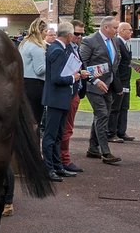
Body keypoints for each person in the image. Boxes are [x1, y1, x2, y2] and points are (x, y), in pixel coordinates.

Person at [42, 21, 84, 181]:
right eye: (74, 34)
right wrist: (73, 77)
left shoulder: (61, 49)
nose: (76, 36)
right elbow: (57, 78)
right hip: (56, 98)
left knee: (58, 134)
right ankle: (49, 168)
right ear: (68, 35)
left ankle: (57, 166)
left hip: (62, 97)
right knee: (51, 135)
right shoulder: (57, 50)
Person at [79, 15, 123, 165]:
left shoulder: (115, 41)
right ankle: (105, 152)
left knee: (101, 116)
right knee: (102, 114)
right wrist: (95, 80)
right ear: (106, 27)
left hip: (108, 85)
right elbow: (82, 63)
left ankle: (93, 148)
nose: (117, 31)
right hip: (93, 85)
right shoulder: (89, 41)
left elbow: (115, 63)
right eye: (115, 28)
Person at [59, 21, 85, 174]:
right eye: (76, 34)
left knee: (67, 128)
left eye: (82, 33)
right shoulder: (63, 49)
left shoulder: (76, 48)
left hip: (75, 92)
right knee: (64, 128)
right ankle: (64, 159)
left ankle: (63, 158)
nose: (79, 37)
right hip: (67, 93)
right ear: (69, 34)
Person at [17, 18, 48, 125]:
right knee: (35, 119)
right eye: (45, 31)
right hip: (36, 85)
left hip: (23, 82)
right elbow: (39, 70)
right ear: (40, 31)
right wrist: (51, 65)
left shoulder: (24, 44)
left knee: (24, 118)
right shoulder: (37, 47)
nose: (46, 34)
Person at [109, 22, 136, 143]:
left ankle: (121, 131)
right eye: (129, 30)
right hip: (119, 82)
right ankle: (111, 132)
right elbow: (116, 65)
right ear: (121, 31)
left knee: (124, 106)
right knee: (115, 108)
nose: (131, 32)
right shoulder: (117, 43)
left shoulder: (125, 44)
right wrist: (117, 84)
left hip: (126, 81)